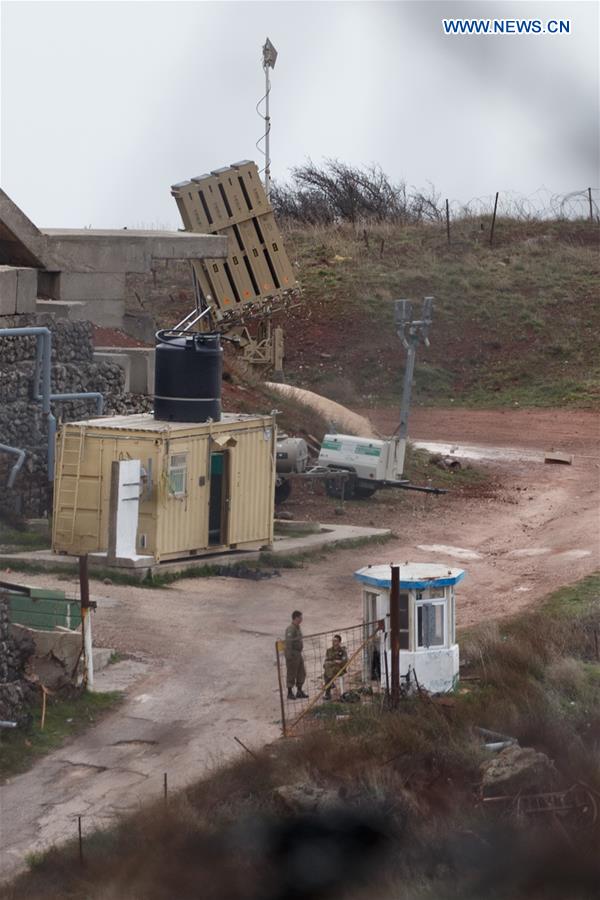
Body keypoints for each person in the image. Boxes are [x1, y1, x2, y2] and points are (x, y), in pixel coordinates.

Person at [284, 610, 308, 700]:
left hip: (298, 653)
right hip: (293, 654)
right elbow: (288, 643)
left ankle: (299, 691)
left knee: (301, 672)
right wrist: (289, 656)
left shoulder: (298, 627)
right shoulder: (291, 629)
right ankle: (290, 692)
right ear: (296, 618)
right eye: (300, 617)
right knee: (291, 673)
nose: (302, 619)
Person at [323, 634, 348, 700]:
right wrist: (335, 661)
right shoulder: (329, 650)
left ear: (339, 642)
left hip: (339, 669)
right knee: (327, 669)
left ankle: (327, 693)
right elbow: (325, 662)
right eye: (333, 640)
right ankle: (330, 684)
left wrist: (332, 662)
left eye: (336, 641)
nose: (334, 642)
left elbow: (344, 662)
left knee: (326, 673)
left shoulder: (342, 651)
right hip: (330, 668)